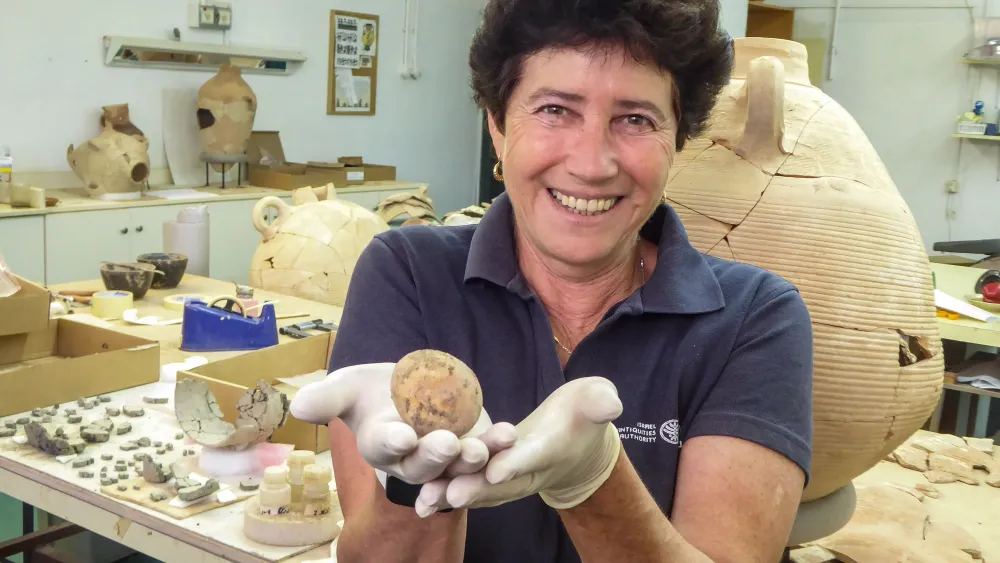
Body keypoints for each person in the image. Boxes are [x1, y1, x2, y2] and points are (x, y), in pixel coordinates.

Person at [290, 0, 814, 560]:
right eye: (555, 110)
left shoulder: (754, 318)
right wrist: (411, 480)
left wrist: (593, 481)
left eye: (636, 119)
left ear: (677, 140)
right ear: (497, 126)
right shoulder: (409, 275)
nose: (592, 164)